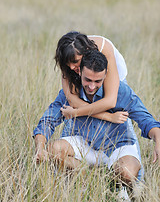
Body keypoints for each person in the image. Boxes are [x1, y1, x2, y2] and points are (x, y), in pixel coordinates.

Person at [33, 50, 160, 191]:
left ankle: (115, 188)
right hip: (84, 142)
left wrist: (158, 140)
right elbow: (47, 121)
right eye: (88, 80)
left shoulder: (121, 91)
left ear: (105, 76)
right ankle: (87, 179)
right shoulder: (71, 91)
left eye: (97, 81)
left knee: (127, 172)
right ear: (80, 72)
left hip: (117, 145)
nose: (92, 86)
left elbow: (146, 120)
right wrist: (40, 148)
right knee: (53, 150)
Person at [55, 31, 142, 179]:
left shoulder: (103, 48)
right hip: (86, 78)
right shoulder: (69, 59)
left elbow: (110, 101)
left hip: (115, 84)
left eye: (75, 62)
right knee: (70, 129)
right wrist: (107, 116)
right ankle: (81, 174)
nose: (71, 67)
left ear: (86, 53)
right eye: (67, 64)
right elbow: (73, 101)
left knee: (123, 129)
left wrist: (77, 112)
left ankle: (136, 182)